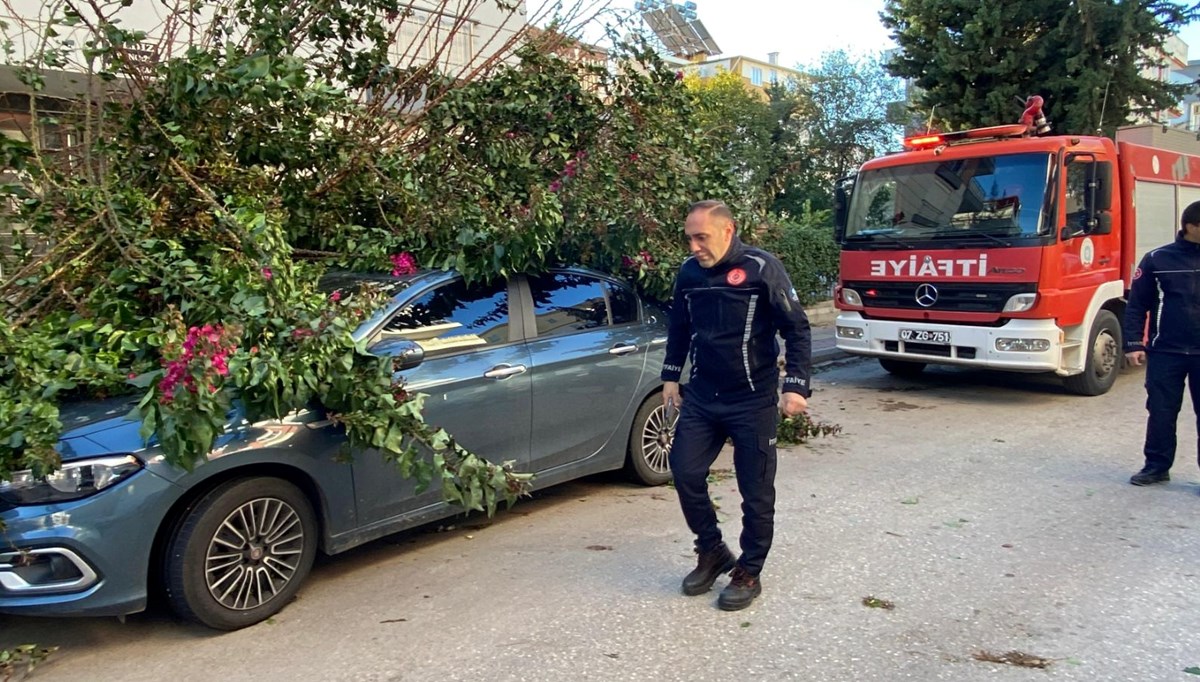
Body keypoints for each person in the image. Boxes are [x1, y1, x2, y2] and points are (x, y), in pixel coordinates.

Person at [661, 199, 812, 611]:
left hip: (752, 400)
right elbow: (679, 326)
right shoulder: (689, 273)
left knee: (755, 492)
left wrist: (796, 385)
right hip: (704, 396)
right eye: (689, 237)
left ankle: (749, 569)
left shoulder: (762, 268)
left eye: (701, 237)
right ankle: (711, 551)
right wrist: (671, 375)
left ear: (728, 231)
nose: (693, 246)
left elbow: (796, 327)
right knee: (685, 471)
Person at [1123, 199, 1200, 486]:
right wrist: (1133, 343)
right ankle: (1156, 466)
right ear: (1191, 227)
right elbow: (1136, 304)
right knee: (1161, 412)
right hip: (1166, 351)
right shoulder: (1157, 259)